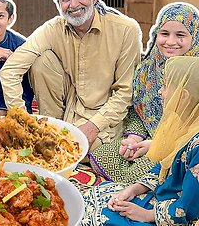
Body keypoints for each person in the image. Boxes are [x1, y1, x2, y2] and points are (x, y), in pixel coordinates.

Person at [0, 0, 142, 151]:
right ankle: (50, 127)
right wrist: (23, 120)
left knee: (77, 149)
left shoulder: (125, 30)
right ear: (59, 4)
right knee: (41, 61)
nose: (74, 4)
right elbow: (10, 70)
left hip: (105, 114)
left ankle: (63, 139)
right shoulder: (53, 28)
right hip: (68, 108)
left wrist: (93, 126)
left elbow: (125, 92)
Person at [82, 56, 199, 225]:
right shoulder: (185, 122)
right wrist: (135, 188)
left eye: (166, 86)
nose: (160, 91)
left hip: (176, 215)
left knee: (99, 220)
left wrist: (146, 215)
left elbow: (188, 208)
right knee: (96, 199)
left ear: (183, 97)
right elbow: (164, 165)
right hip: (163, 194)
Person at [90, 2, 199, 183]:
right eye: (164, 34)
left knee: (138, 175)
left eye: (180, 35)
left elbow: (193, 131)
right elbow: (137, 111)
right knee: (102, 155)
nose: (170, 42)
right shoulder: (146, 69)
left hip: (181, 145)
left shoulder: (195, 75)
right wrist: (133, 137)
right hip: (148, 135)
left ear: (195, 37)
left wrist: (155, 145)